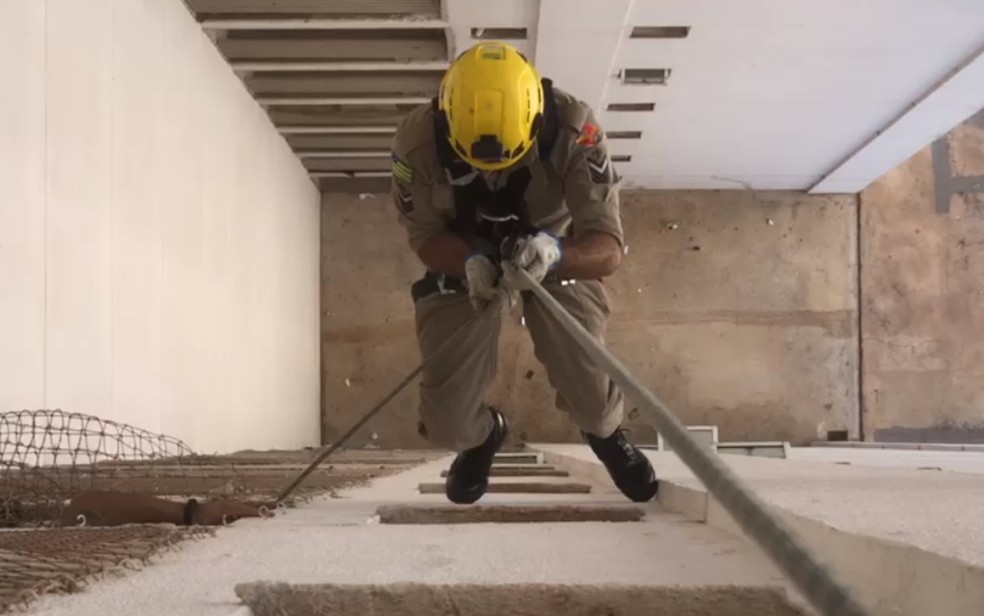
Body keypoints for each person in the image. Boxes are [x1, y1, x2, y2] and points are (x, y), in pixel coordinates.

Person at [389, 41, 658, 505]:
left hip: (553, 250)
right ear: (447, 117)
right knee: (446, 421)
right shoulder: (413, 145)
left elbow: (607, 248)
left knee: (593, 398)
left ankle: (608, 436)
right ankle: (480, 439)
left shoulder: (579, 132)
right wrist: (469, 263)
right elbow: (424, 237)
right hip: (465, 253)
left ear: (535, 122)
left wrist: (554, 254)